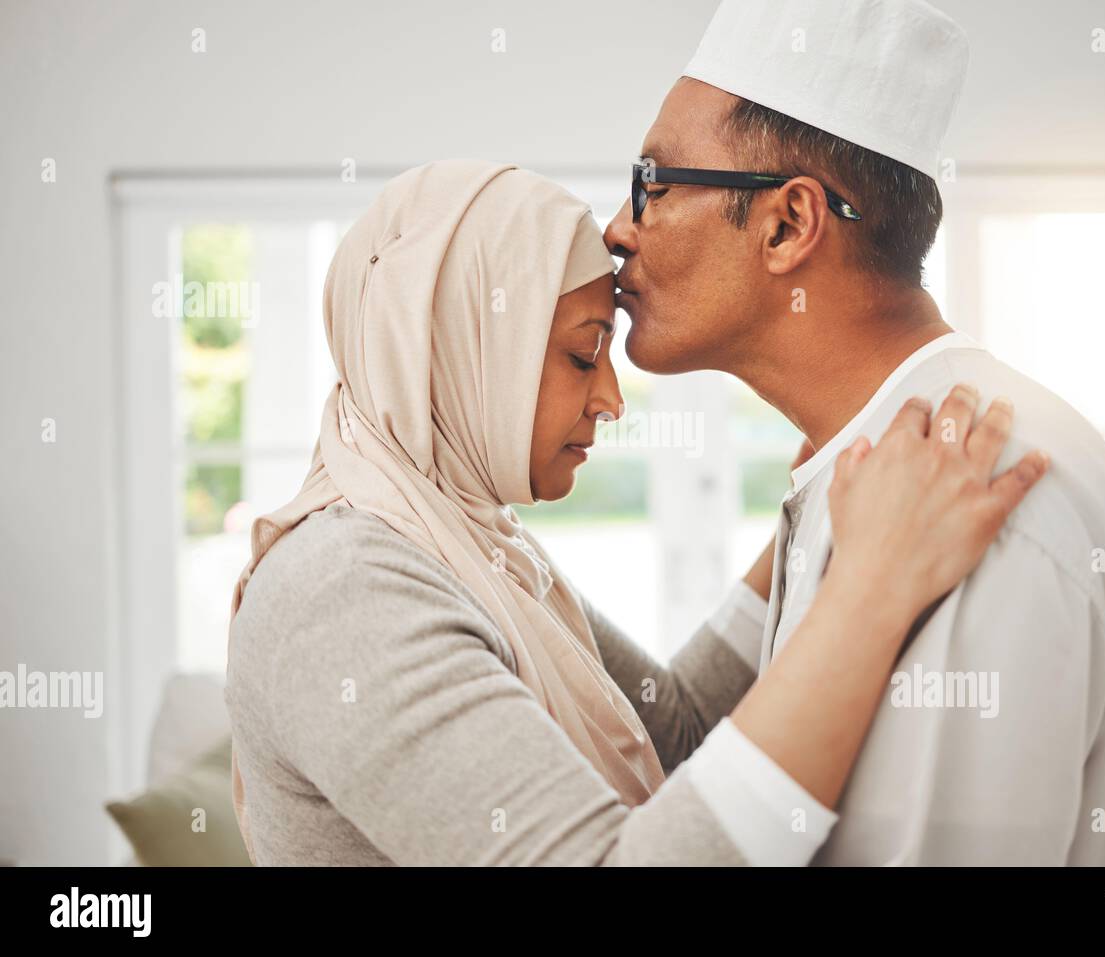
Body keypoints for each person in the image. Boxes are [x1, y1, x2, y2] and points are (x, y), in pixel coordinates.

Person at [222, 158, 1046, 865]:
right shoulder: (343, 591)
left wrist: (827, 492)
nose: (611, 397)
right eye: (583, 353)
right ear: (464, 346)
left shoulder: (473, 546)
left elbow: (674, 728)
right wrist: (873, 585)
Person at [602, 0, 1105, 864]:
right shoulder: (881, 466)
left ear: (787, 223)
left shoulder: (972, 487)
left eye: (652, 185)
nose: (617, 230)